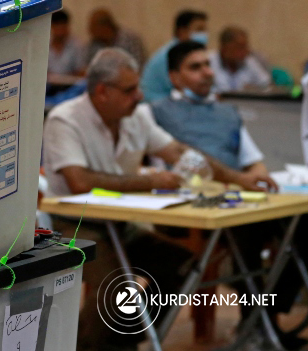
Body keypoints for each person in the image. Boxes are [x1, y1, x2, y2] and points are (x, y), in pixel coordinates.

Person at [43, 47, 275, 351]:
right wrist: (149, 181)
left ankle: (124, 338)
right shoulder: (65, 120)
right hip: (73, 224)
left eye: (137, 87)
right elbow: (80, 181)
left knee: (180, 266)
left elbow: (182, 154)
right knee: (114, 285)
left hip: (119, 222)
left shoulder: (136, 115)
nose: (140, 95)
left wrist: (240, 179)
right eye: (129, 90)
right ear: (102, 92)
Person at [150, 41, 308, 349]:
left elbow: (254, 163)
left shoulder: (227, 112)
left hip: (238, 198)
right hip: (192, 204)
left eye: (207, 65)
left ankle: (262, 317)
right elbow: (163, 164)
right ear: (174, 77)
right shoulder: (156, 113)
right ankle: (258, 326)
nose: (206, 72)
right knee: (247, 228)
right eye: (195, 67)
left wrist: (264, 186)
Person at [140, 9, 208, 101]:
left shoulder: (187, 53)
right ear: (182, 31)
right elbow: (180, 89)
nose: (204, 34)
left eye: (204, 30)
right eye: (199, 30)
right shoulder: (168, 55)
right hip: (155, 103)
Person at [209, 26, 272, 92]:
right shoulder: (208, 61)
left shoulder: (248, 60)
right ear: (225, 47)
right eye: (240, 47)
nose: (246, 50)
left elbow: (266, 83)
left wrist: (253, 88)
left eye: (246, 46)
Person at [82, 8, 146, 68]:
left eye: (92, 27)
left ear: (104, 28)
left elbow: (138, 66)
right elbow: (89, 67)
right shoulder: (94, 44)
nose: (89, 30)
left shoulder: (130, 39)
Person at [47, 9, 85, 76]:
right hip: (47, 85)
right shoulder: (44, 45)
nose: (60, 32)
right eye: (57, 27)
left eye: (62, 27)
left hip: (70, 85)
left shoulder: (76, 45)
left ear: (67, 27)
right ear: (52, 27)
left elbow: (80, 71)